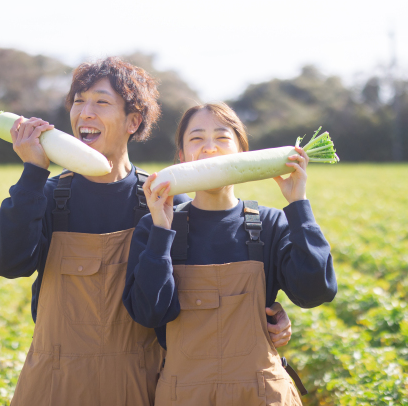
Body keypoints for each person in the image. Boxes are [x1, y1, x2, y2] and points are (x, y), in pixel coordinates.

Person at [0, 58, 293, 406]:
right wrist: (32, 173)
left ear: (133, 121)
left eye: (100, 102)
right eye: (78, 100)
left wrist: (269, 316)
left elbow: (205, 292)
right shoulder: (46, 193)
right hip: (54, 383)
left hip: (140, 384)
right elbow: (6, 262)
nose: (85, 112)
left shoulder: (162, 200)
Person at [123, 102, 337, 405]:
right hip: (185, 395)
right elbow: (149, 313)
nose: (210, 148)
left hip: (261, 394)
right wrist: (161, 230)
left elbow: (316, 291)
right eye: (196, 139)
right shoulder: (156, 227)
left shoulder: (270, 223)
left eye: (222, 138)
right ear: (182, 157)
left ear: (242, 152)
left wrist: (298, 204)